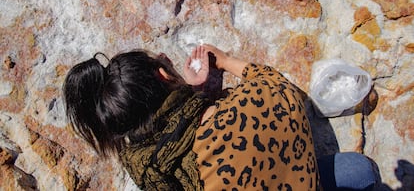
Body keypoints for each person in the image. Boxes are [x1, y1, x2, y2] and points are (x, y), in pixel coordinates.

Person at [63, 45, 319, 190]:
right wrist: (227, 61)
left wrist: (195, 94)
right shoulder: (263, 96)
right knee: (357, 168)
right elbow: (270, 79)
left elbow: (182, 135)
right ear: (163, 74)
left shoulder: (150, 168)